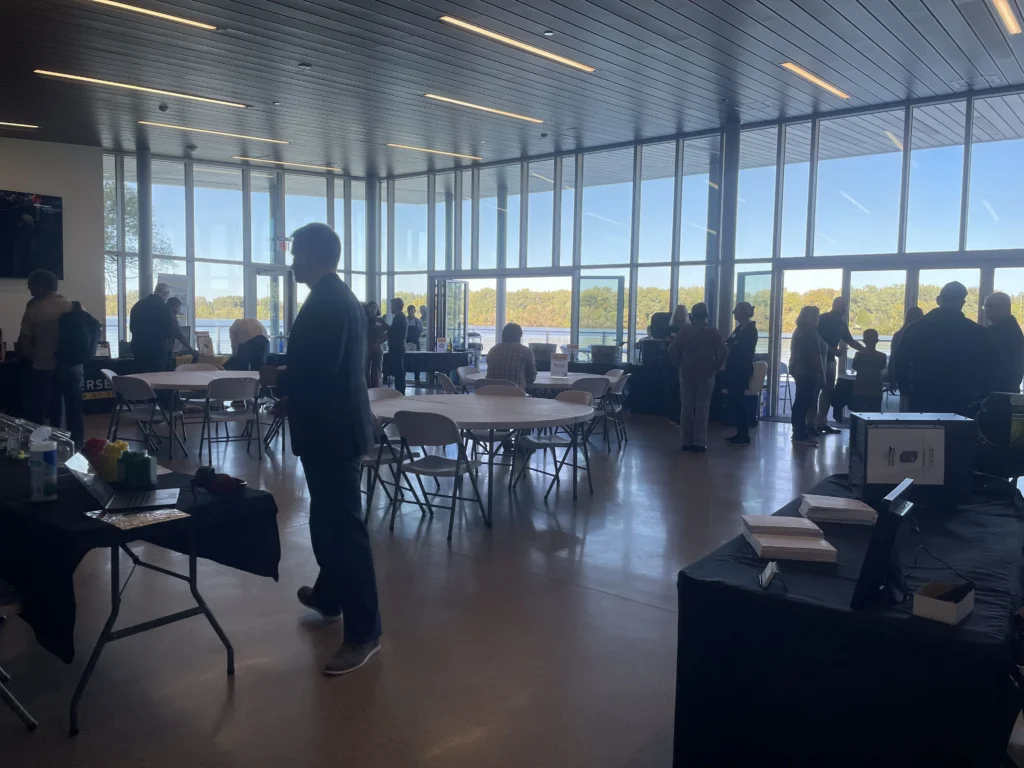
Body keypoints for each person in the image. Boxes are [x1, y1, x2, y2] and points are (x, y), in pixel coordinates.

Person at [274, 223, 381, 676]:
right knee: (327, 519)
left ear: (315, 255)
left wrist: (276, 379)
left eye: (297, 253)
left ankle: (364, 633)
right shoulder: (338, 298)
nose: (292, 261)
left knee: (342, 529)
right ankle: (329, 596)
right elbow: (330, 372)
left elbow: (317, 372)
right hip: (334, 428)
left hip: (333, 434)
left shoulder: (327, 303)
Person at [892, 281, 995, 415]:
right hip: (962, 399)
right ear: (962, 303)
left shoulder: (916, 328)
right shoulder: (977, 332)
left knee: (923, 435)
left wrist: (906, 389)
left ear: (938, 300)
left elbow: (899, 360)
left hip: (923, 396)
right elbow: (990, 366)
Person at [17, 269, 83, 447]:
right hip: (72, 367)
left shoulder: (34, 308)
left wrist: (35, 359)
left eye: (31, 285)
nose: (29, 288)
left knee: (40, 412)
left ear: (40, 286)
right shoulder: (73, 306)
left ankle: (44, 446)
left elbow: (24, 340)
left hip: (43, 368)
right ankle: (77, 446)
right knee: (74, 411)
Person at [668, 302, 726, 452]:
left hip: (686, 371)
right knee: (702, 407)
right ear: (706, 315)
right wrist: (716, 366)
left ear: (692, 316)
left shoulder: (684, 331)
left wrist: (678, 364)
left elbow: (671, 349)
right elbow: (724, 351)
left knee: (686, 407)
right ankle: (700, 442)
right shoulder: (713, 332)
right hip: (707, 372)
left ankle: (685, 441)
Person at [812, 297, 863, 435]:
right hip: (818, 359)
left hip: (830, 360)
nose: (844, 309)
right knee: (815, 392)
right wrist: (832, 350)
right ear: (834, 305)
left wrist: (866, 351)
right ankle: (810, 424)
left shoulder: (841, 324)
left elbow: (850, 340)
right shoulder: (822, 319)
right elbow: (815, 338)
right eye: (842, 306)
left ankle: (821, 421)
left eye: (845, 306)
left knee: (828, 391)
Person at [788, 306, 826, 447]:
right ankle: (800, 435)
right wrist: (821, 374)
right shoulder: (810, 333)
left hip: (800, 371)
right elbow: (815, 355)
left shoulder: (799, 331)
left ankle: (798, 432)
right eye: (816, 316)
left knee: (800, 403)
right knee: (803, 403)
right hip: (808, 372)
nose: (818, 318)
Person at [723, 302, 758, 446]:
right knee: (734, 401)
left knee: (737, 400)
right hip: (734, 369)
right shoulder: (739, 329)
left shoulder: (750, 330)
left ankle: (744, 434)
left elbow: (741, 349)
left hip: (741, 369)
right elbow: (730, 343)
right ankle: (741, 432)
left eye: (736, 310)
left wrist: (731, 347)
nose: (733, 312)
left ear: (743, 312)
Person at [129, 282, 177, 372]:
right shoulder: (164, 308)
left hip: (138, 349)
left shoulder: (138, 305)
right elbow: (169, 331)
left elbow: (132, 328)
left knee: (141, 377)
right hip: (157, 350)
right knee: (156, 378)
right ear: (165, 293)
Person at [983, 291, 1024, 393]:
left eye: (993, 306)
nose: (988, 310)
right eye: (986, 306)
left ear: (1006, 307)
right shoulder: (1009, 328)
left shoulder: (1006, 332)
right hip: (1006, 390)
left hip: (999, 392)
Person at [485, 323, 537, 389]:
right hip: (516, 395)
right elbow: (531, 378)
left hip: (490, 395)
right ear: (519, 336)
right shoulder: (526, 351)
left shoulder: (493, 350)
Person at [888, 306, 924, 398]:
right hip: (920, 375)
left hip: (903, 374)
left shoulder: (898, 335)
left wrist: (892, 379)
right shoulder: (924, 335)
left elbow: (893, 357)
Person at [851, 329, 887, 413]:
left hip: (860, 388)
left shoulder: (858, 355)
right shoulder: (882, 356)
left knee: (859, 414)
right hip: (876, 389)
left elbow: (854, 366)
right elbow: (882, 367)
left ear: (864, 341)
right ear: (877, 341)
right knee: (875, 414)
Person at [381, 298, 408, 393]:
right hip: (398, 347)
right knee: (398, 371)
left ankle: (399, 392)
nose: (391, 308)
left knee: (398, 371)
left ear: (396, 306)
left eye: (391, 305)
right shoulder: (400, 317)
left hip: (396, 348)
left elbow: (391, 333)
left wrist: (377, 343)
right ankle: (399, 391)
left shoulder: (399, 317)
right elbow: (393, 330)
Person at [364, 302, 385, 388]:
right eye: (371, 307)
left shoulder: (380, 320)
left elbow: (390, 331)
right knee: (365, 370)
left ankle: (377, 389)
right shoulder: (363, 320)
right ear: (368, 309)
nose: (372, 309)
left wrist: (380, 341)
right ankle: (366, 389)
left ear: (377, 309)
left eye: (374, 307)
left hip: (377, 348)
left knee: (377, 371)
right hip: (366, 349)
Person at [404, 304, 423, 386]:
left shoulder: (418, 321)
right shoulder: (405, 320)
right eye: (409, 310)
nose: (410, 311)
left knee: (417, 361)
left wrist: (416, 338)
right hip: (406, 343)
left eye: (412, 310)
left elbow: (421, 331)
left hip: (415, 343)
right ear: (407, 311)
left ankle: (417, 380)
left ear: (414, 311)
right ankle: (403, 378)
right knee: (405, 361)